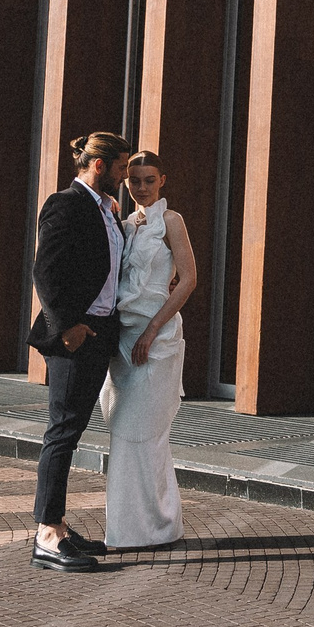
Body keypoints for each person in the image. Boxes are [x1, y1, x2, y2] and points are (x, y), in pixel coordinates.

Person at [25, 131, 132, 571]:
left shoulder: (106, 209)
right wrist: (67, 327)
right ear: (101, 166)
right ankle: (47, 534)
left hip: (99, 335)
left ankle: (60, 528)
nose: (127, 178)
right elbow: (45, 273)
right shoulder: (65, 203)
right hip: (74, 338)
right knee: (63, 433)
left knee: (70, 431)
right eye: (123, 168)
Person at [100, 150, 195, 548]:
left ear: (163, 181)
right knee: (123, 435)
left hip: (156, 342)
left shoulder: (172, 222)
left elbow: (188, 280)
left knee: (148, 433)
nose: (141, 187)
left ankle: (159, 526)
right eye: (134, 180)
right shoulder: (123, 225)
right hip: (123, 340)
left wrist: (152, 330)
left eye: (149, 180)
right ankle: (128, 529)